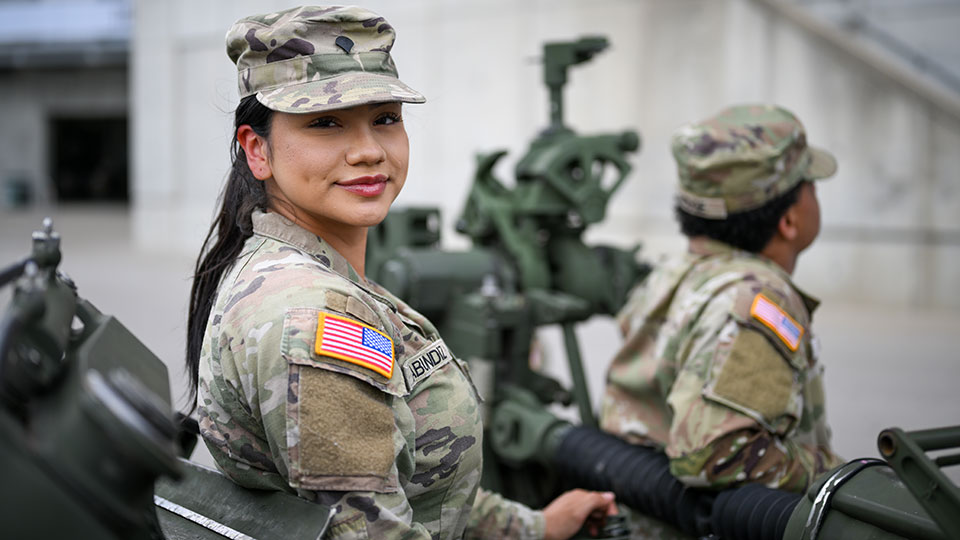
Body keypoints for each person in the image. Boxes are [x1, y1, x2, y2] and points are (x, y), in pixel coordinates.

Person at [185, 6, 615, 540]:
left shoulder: (300, 270)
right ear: (258, 150)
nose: (369, 151)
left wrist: (536, 528)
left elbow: (406, 487)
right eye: (326, 123)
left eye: (385, 118)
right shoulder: (314, 316)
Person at [599, 104, 844, 537]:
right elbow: (715, 454)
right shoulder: (759, 297)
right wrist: (836, 473)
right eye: (810, 186)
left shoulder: (674, 272)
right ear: (789, 220)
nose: (815, 195)